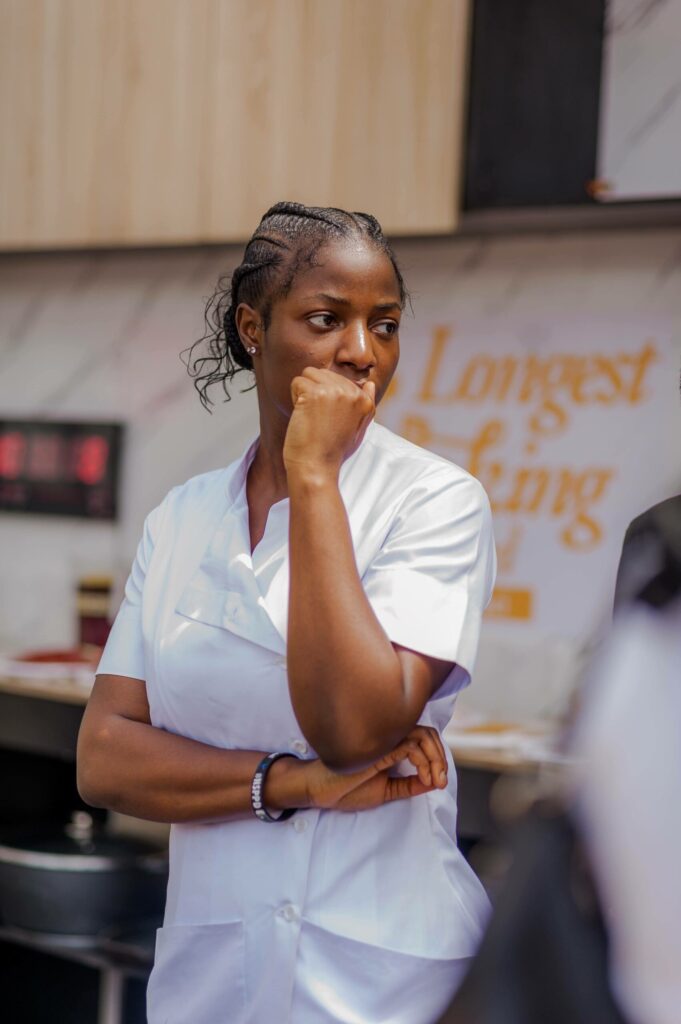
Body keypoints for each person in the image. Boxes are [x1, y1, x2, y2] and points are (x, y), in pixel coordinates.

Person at [77, 201, 496, 1024]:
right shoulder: (183, 517)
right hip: (215, 980)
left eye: (384, 325)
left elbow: (356, 730)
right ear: (252, 329)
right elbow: (105, 758)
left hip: (379, 984)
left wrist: (313, 476)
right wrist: (293, 783)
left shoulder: (436, 501)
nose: (361, 351)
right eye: (325, 319)